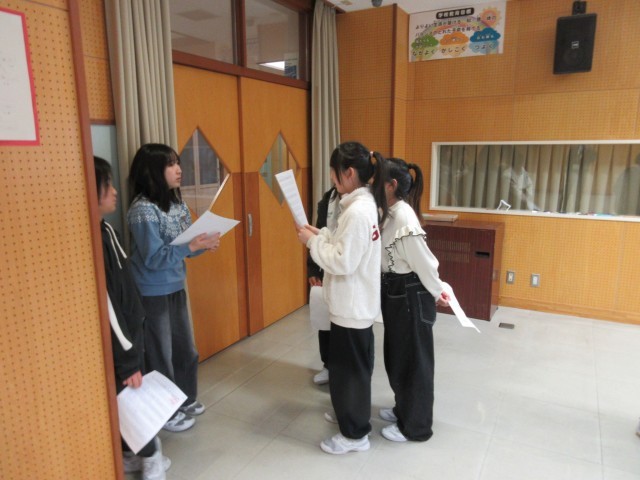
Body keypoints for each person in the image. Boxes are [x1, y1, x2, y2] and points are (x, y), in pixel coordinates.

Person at [297, 141, 387, 454]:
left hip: (352, 306)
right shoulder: (360, 206)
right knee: (349, 371)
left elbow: (342, 261)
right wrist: (320, 234)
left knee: (350, 374)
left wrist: (312, 244)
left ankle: (354, 435)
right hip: (352, 305)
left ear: (348, 173)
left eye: (334, 172)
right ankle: (349, 417)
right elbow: (341, 244)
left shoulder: (358, 211)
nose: (332, 179)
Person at [127, 143, 221, 432]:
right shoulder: (142, 210)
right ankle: (165, 412)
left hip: (176, 286)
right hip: (151, 291)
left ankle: (184, 398)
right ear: (153, 171)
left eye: (178, 163)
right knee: (159, 353)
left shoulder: (178, 204)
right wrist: (190, 246)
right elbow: (154, 258)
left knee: (185, 349)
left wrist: (202, 245)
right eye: (171, 165)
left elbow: (185, 249)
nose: (179, 170)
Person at [94, 156, 170, 479]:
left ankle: (134, 455)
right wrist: (128, 361)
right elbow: (108, 307)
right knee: (129, 402)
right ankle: (149, 456)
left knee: (127, 401)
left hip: (130, 335)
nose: (114, 191)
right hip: (121, 344)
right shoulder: (92, 240)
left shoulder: (106, 230)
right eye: (107, 185)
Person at [378, 157, 450, 443]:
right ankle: (403, 409)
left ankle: (416, 427)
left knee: (414, 361)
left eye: (376, 181)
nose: (372, 185)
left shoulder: (404, 217)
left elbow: (424, 262)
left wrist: (437, 291)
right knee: (398, 356)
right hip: (396, 290)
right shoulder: (391, 212)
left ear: (391, 185)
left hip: (409, 292)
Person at [307, 186, 340, 385]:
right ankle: (328, 365)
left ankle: (349, 372)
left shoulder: (364, 201)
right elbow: (319, 236)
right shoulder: (328, 198)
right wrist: (313, 270)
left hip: (346, 271)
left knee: (347, 327)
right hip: (326, 268)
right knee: (324, 319)